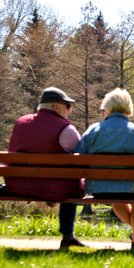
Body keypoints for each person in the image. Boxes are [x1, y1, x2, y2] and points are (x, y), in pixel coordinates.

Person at [76, 88, 134, 250]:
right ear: (128, 107)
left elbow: (80, 155)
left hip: (102, 189)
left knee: (116, 196)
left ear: (108, 108)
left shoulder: (93, 130)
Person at [7, 87, 86, 249]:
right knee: (73, 184)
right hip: (58, 190)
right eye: (68, 106)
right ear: (56, 106)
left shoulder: (21, 122)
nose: (69, 110)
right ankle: (68, 236)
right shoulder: (65, 129)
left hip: (18, 186)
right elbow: (81, 154)